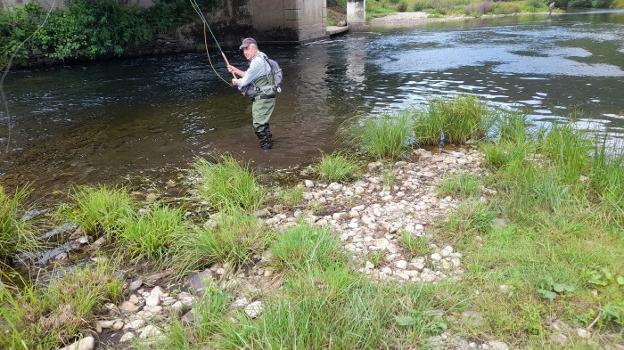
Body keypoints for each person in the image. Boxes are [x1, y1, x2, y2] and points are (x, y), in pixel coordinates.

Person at [227, 38, 276, 150]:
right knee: (263, 122)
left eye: (247, 49)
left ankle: (266, 149)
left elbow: (244, 81)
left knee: (258, 124)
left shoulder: (256, 62)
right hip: (267, 95)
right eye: (244, 50)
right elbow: (250, 75)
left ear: (254, 47)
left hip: (262, 97)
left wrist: (236, 81)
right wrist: (235, 70)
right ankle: (269, 144)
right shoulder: (262, 56)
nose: (245, 52)